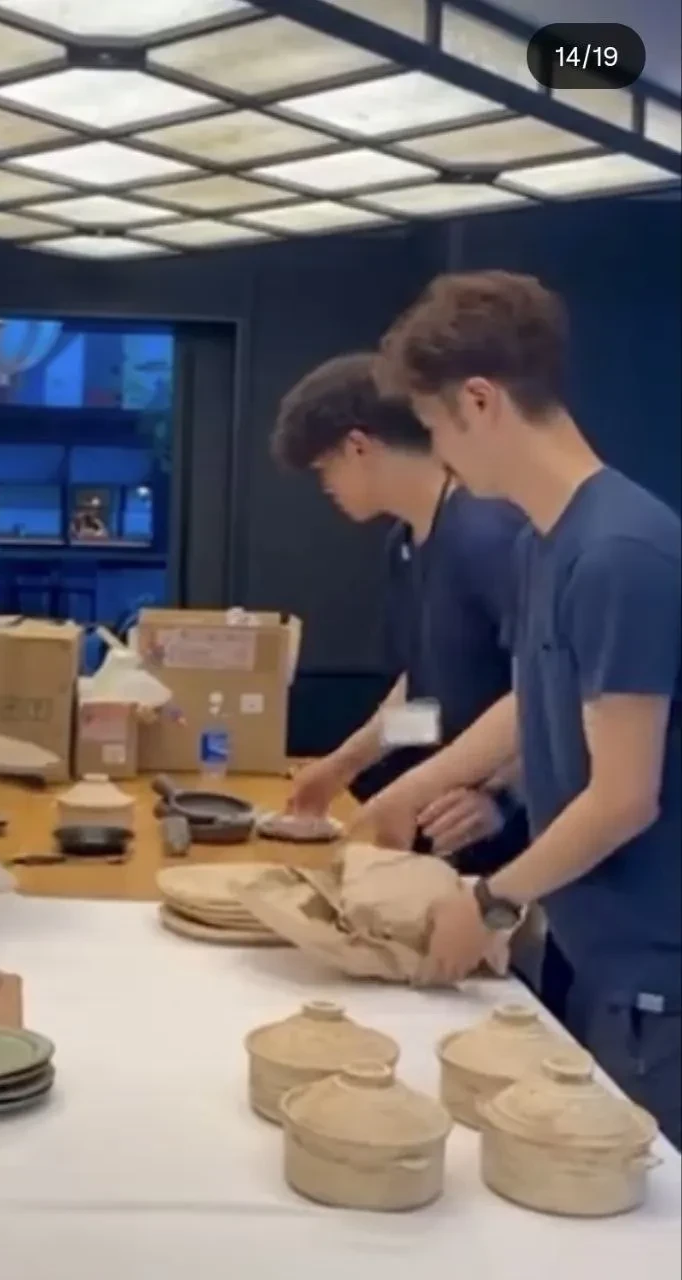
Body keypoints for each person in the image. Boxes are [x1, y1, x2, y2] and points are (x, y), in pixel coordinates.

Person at [357, 270, 681, 1148]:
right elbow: (527, 701)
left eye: (435, 429)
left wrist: (492, 899)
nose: (440, 454)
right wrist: (401, 791)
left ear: (480, 401)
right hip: (590, 950)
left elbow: (625, 797)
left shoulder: (621, 552)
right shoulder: (546, 542)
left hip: (656, 977)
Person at [274, 352, 528, 876]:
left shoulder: (487, 533)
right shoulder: (404, 544)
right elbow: (428, 699)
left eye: (324, 469)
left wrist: (504, 794)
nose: (326, 488)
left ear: (358, 447)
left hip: (522, 830)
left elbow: (555, 691)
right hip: (451, 822)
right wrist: (343, 765)